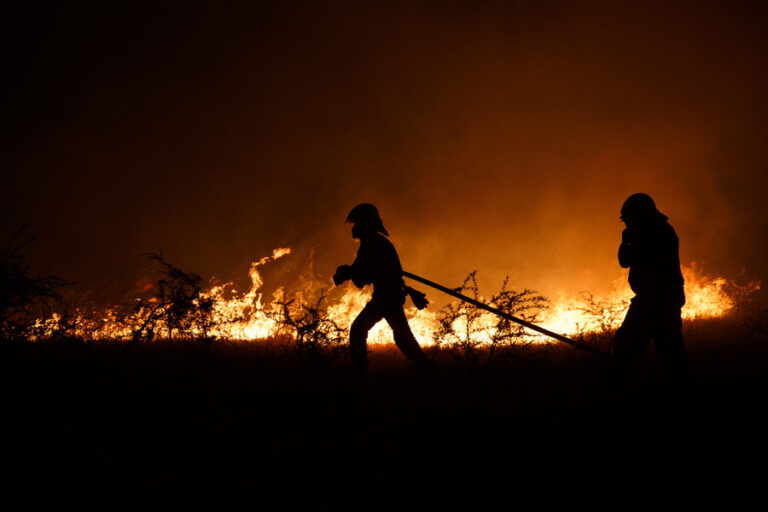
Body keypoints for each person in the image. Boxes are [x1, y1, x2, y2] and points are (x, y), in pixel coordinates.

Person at [334, 203, 429, 375]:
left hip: (387, 297)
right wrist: (348, 271)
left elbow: (363, 277)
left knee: (359, 329)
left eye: (357, 223)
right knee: (401, 336)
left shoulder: (374, 245)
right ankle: (426, 369)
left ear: (366, 224)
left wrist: (347, 272)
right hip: (387, 296)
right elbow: (362, 274)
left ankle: (358, 373)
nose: (354, 228)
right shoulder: (373, 244)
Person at [613, 193, 690, 378]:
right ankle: (681, 390)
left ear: (638, 215)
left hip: (654, 300)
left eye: (628, 219)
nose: (627, 224)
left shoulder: (654, 234)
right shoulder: (661, 230)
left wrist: (627, 240)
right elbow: (625, 260)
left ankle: (621, 392)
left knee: (626, 346)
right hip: (664, 299)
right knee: (670, 350)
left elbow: (626, 260)